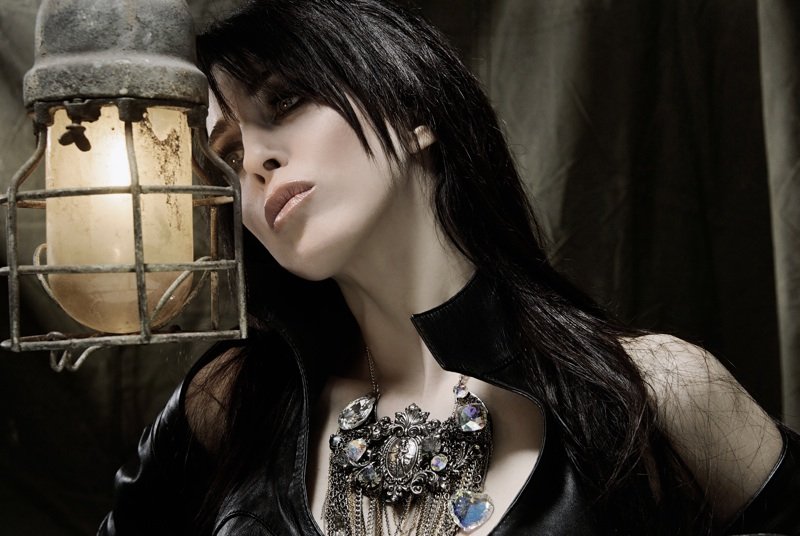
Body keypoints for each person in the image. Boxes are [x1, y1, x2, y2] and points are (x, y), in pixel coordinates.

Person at [98, 0, 800, 534]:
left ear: (413, 112)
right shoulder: (228, 402)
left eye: (285, 100)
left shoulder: (658, 392)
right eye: (226, 151)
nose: (254, 159)